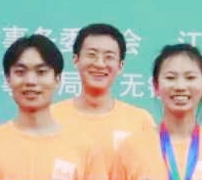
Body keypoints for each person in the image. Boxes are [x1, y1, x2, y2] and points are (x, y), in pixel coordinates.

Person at [0, 35, 107, 180]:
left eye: (41, 72)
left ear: (57, 79)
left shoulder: (86, 148)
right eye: (20, 72)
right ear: (8, 79)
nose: (30, 81)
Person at [109, 45, 202, 180]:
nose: (180, 86)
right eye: (170, 78)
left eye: (190, 78)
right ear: (156, 87)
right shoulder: (131, 147)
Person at [51, 22, 156, 157]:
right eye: (92, 55)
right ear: (76, 60)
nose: (100, 64)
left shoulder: (140, 121)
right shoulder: (52, 117)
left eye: (109, 57)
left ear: (120, 66)